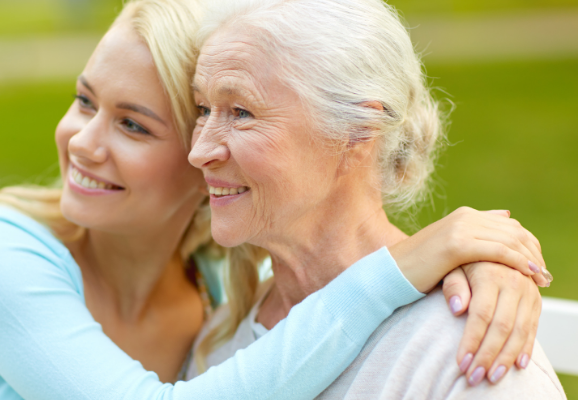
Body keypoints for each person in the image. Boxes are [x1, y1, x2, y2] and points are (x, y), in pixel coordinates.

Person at [0, 0, 550, 399]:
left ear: (360, 130)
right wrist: (400, 270)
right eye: (84, 100)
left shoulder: (217, 296)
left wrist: (479, 263)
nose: (83, 141)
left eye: (239, 112)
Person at [186, 0, 564, 397]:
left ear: (357, 131)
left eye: (241, 112)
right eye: (203, 108)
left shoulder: (473, 353)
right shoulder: (219, 341)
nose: (199, 151)